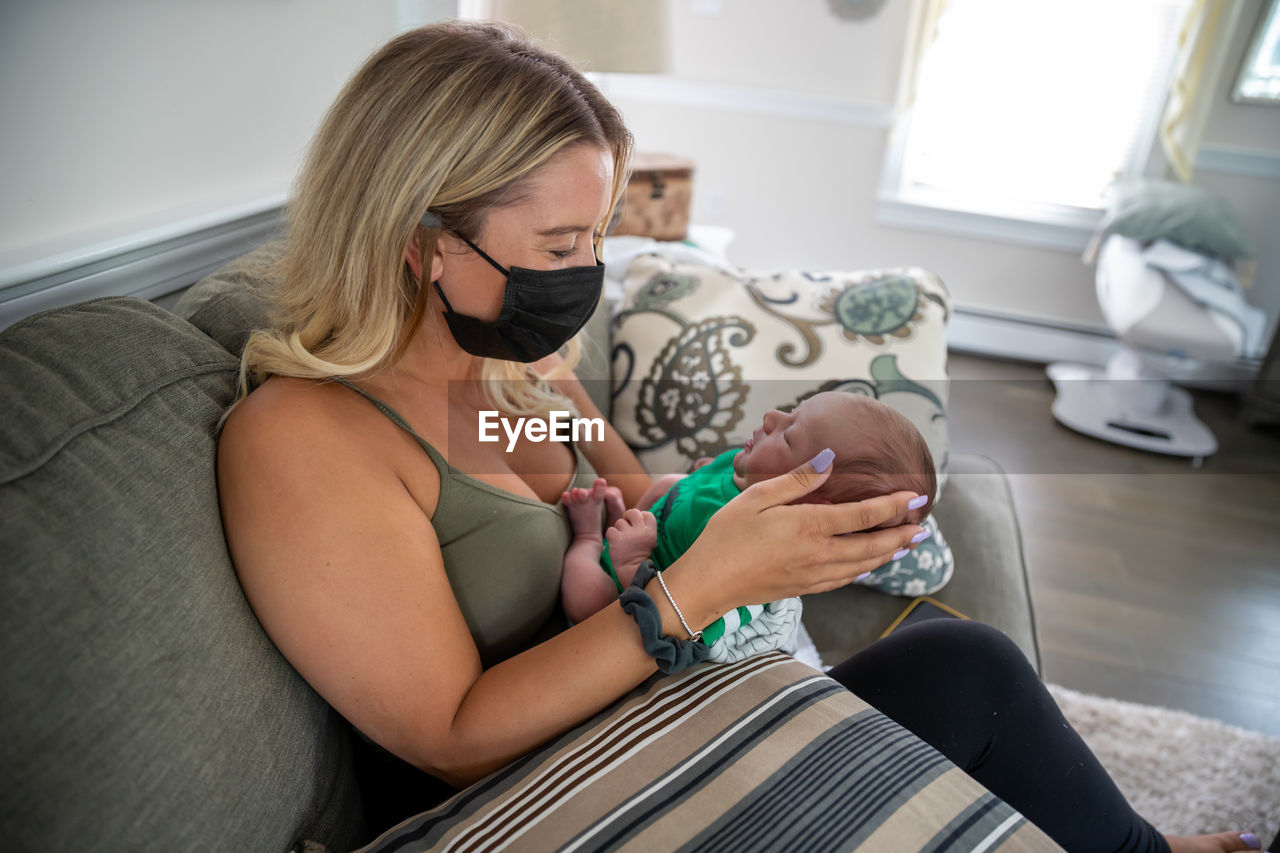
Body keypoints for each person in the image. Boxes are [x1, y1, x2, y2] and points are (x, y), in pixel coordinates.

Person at [214, 20, 1261, 853]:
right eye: (559, 244)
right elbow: (449, 739)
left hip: (689, 710)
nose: (585, 275)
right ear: (421, 244)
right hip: (575, 793)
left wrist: (732, 500)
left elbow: (631, 493)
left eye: (597, 239)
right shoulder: (305, 438)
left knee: (965, 668)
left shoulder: (494, 367)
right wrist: (696, 586)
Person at [560, 392, 937, 663]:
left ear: (805, 509)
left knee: (585, 599)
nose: (772, 416)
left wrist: (632, 562)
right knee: (669, 482)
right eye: (791, 412)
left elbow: (678, 628)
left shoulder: (754, 576)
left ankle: (589, 539)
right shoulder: (744, 469)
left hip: (626, 601)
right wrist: (690, 482)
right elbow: (697, 484)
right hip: (655, 527)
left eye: (789, 436)